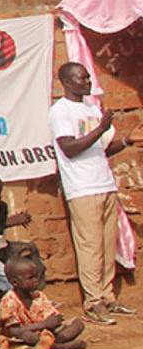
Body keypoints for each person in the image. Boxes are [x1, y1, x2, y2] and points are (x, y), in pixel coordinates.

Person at [48, 62, 136, 324]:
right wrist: (100, 128)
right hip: (82, 187)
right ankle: (93, 302)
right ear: (66, 82)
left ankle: (108, 297)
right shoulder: (61, 111)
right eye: (82, 78)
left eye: (88, 77)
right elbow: (69, 148)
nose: (87, 82)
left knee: (107, 246)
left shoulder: (91, 108)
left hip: (104, 184)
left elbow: (101, 149)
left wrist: (126, 141)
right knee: (90, 247)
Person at [0, 256, 87, 349]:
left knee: (78, 323)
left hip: (44, 334)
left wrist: (54, 321)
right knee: (27, 336)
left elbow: (50, 318)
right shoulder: (9, 301)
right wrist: (43, 325)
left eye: (36, 276)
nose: (36, 280)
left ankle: (48, 345)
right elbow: (13, 331)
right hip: (24, 337)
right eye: (30, 278)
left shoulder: (39, 296)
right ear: (14, 282)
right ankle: (60, 347)